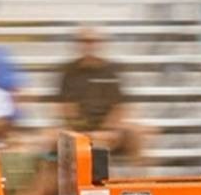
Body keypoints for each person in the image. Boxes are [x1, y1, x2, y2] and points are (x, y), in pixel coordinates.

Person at [54, 27, 140, 160]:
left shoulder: (112, 70)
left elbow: (119, 106)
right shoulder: (69, 72)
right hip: (78, 128)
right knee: (49, 138)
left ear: (100, 44)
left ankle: (137, 178)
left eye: (92, 41)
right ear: (78, 45)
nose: (89, 45)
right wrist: (83, 131)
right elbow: (66, 107)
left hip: (108, 128)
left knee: (137, 133)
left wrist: (109, 129)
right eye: (84, 42)